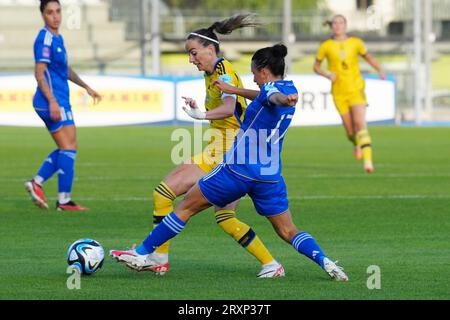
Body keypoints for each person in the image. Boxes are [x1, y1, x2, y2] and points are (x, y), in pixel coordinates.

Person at [110, 44, 349, 282]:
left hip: (239, 170)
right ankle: (325, 261)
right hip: (269, 175)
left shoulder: (276, 94)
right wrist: (234, 89)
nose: (253, 78)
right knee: (287, 230)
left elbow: (272, 97)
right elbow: (266, 95)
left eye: (254, 73)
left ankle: (142, 254)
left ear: (264, 71)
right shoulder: (288, 87)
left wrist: (281, 100)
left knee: (185, 207)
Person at [112, 14, 283, 278]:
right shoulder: (214, 72)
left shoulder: (223, 71)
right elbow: (229, 107)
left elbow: (228, 107)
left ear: (210, 48)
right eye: (189, 55)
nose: (191, 59)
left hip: (225, 149)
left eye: (193, 53)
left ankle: (157, 257)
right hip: (230, 149)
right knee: (225, 218)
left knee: (163, 193)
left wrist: (200, 116)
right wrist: (200, 108)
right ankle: (271, 264)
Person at [24, 0, 101, 211]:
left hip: (60, 101)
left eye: (58, 11)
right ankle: (57, 196)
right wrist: (52, 102)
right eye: (50, 12)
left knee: (69, 148)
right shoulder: (45, 39)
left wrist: (86, 86)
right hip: (51, 102)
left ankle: (48, 189)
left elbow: (64, 70)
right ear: (43, 15)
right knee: (68, 148)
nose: (56, 16)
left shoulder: (58, 37)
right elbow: (39, 73)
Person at [313, 14, 385, 173]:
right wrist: (327, 75)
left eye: (341, 23)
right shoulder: (326, 45)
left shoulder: (356, 42)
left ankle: (368, 162)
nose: (338, 26)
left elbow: (369, 57)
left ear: (345, 25)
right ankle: (356, 143)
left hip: (356, 89)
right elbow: (316, 66)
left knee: (360, 123)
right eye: (335, 23)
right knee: (351, 132)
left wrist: (379, 69)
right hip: (338, 92)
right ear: (331, 26)